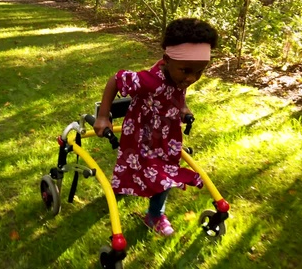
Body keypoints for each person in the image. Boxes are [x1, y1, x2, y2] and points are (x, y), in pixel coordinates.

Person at [93, 18, 218, 236]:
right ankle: (154, 215)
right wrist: (103, 116)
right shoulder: (149, 80)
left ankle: (149, 209)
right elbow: (115, 79)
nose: (191, 78)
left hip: (167, 136)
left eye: (199, 72)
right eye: (186, 70)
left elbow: (179, 93)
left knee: (163, 172)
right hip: (143, 135)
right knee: (154, 172)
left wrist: (184, 109)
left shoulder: (179, 77)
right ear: (167, 59)